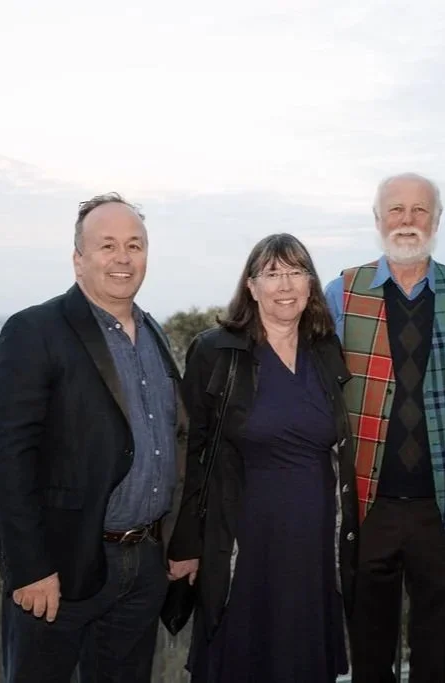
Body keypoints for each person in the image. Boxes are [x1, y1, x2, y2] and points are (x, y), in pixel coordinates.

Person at [0, 193, 185, 683]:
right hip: (61, 567)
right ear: (79, 259)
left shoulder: (154, 332)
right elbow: (8, 458)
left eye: (134, 245)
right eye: (107, 245)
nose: (123, 258)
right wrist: (31, 567)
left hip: (143, 568)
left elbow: (172, 440)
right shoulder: (35, 329)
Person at [324, 172, 445, 683]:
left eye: (419, 210)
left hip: (443, 511)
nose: (407, 220)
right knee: (370, 660)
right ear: (378, 220)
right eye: (395, 210)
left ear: (437, 220)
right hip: (367, 506)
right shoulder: (343, 291)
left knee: (435, 659)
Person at [166, 233, 359, 683]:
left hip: (314, 541)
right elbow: (191, 450)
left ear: (311, 284)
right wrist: (185, 544)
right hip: (243, 539)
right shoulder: (216, 350)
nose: (285, 284)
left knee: (304, 658)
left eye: (296, 272)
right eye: (272, 274)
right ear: (251, 286)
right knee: (240, 656)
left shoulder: (325, 350)